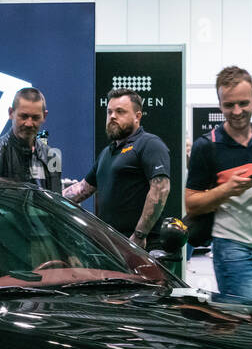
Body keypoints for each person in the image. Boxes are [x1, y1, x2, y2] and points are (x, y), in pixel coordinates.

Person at [186, 66, 252, 301]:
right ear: (220, 105)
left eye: (243, 103)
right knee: (248, 326)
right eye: (229, 105)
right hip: (233, 250)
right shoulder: (207, 145)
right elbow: (192, 204)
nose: (237, 111)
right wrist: (226, 190)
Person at [62, 88, 171, 245]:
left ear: (137, 116)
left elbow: (161, 189)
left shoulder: (149, 144)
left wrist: (139, 235)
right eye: (109, 112)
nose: (112, 116)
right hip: (112, 245)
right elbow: (82, 189)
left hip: (141, 246)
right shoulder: (107, 153)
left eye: (120, 112)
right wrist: (45, 197)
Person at [0, 87, 62, 191]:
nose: (29, 123)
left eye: (35, 118)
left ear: (44, 116)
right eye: (23, 116)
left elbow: (54, 203)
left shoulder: (51, 157)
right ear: (11, 113)